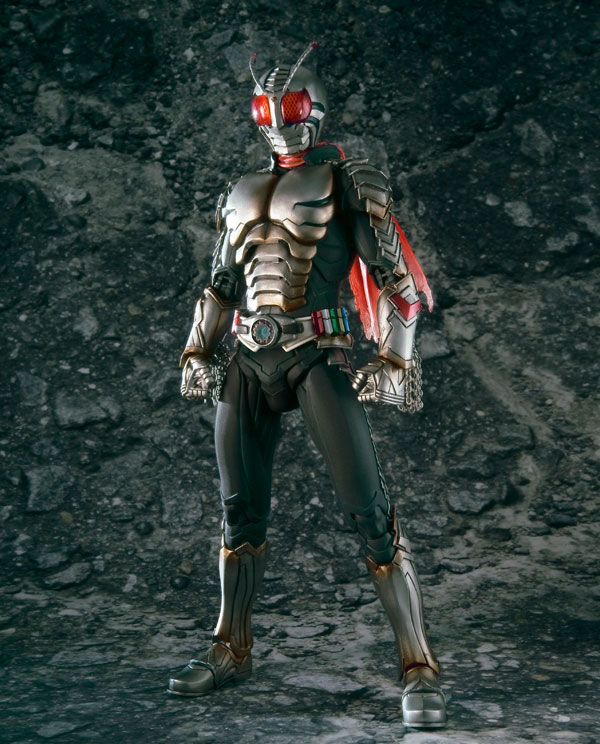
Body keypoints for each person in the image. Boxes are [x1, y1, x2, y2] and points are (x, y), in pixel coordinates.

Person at [168, 42, 446, 729]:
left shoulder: (348, 182)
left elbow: (397, 282)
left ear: (314, 110)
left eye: (290, 106)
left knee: (369, 513)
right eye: (266, 110)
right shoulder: (237, 191)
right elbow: (220, 284)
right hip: (246, 358)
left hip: (316, 354)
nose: (279, 121)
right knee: (239, 513)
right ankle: (231, 648)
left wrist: (395, 360)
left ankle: (419, 665)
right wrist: (197, 348)